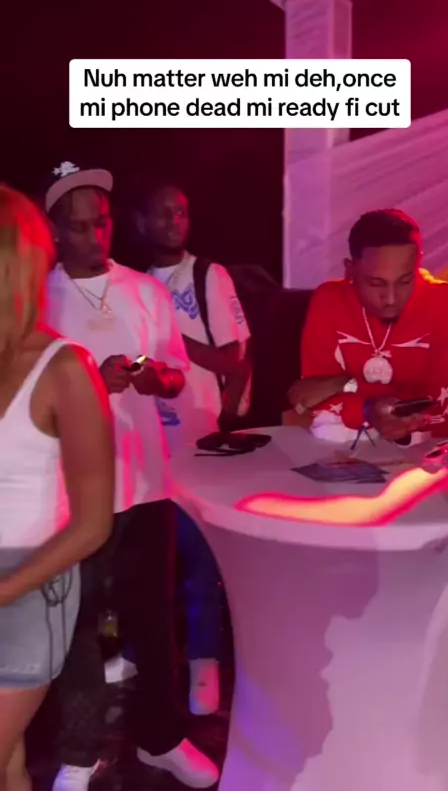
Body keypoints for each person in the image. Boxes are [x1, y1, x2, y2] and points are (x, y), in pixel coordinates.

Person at [44, 163, 219, 790]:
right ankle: (79, 752)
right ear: (54, 232)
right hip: (72, 491)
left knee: (151, 617)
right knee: (77, 625)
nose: (95, 236)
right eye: (79, 227)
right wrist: (95, 382)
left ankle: (160, 738)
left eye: (103, 222)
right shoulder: (38, 300)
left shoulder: (144, 291)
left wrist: (156, 378)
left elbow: (174, 372)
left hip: (145, 481)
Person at [0, 185, 114, 791]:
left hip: (30, 584)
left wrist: (3, 590)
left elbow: (93, 524)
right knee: (7, 762)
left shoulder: (66, 369)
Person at [136, 180, 251, 715]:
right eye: (161, 213)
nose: (172, 221)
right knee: (153, 557)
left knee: (201, 555)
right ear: (141, 222)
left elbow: (231, 359)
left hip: (200, 437)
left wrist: (169, 338)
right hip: (149, 442)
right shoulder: (134, 284)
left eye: (180, 211)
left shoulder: (207, 275)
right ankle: (147, 656)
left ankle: (205, 662)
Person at [288, 208, 448, 443]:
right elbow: (313, 403)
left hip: (427, 456)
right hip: (346, 453)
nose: (391, 298)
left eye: (405, 280)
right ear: (350, 270)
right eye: (376, 283)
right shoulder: (329, 300)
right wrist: (369, 408)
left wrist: (346, 386)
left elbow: (441, 415)